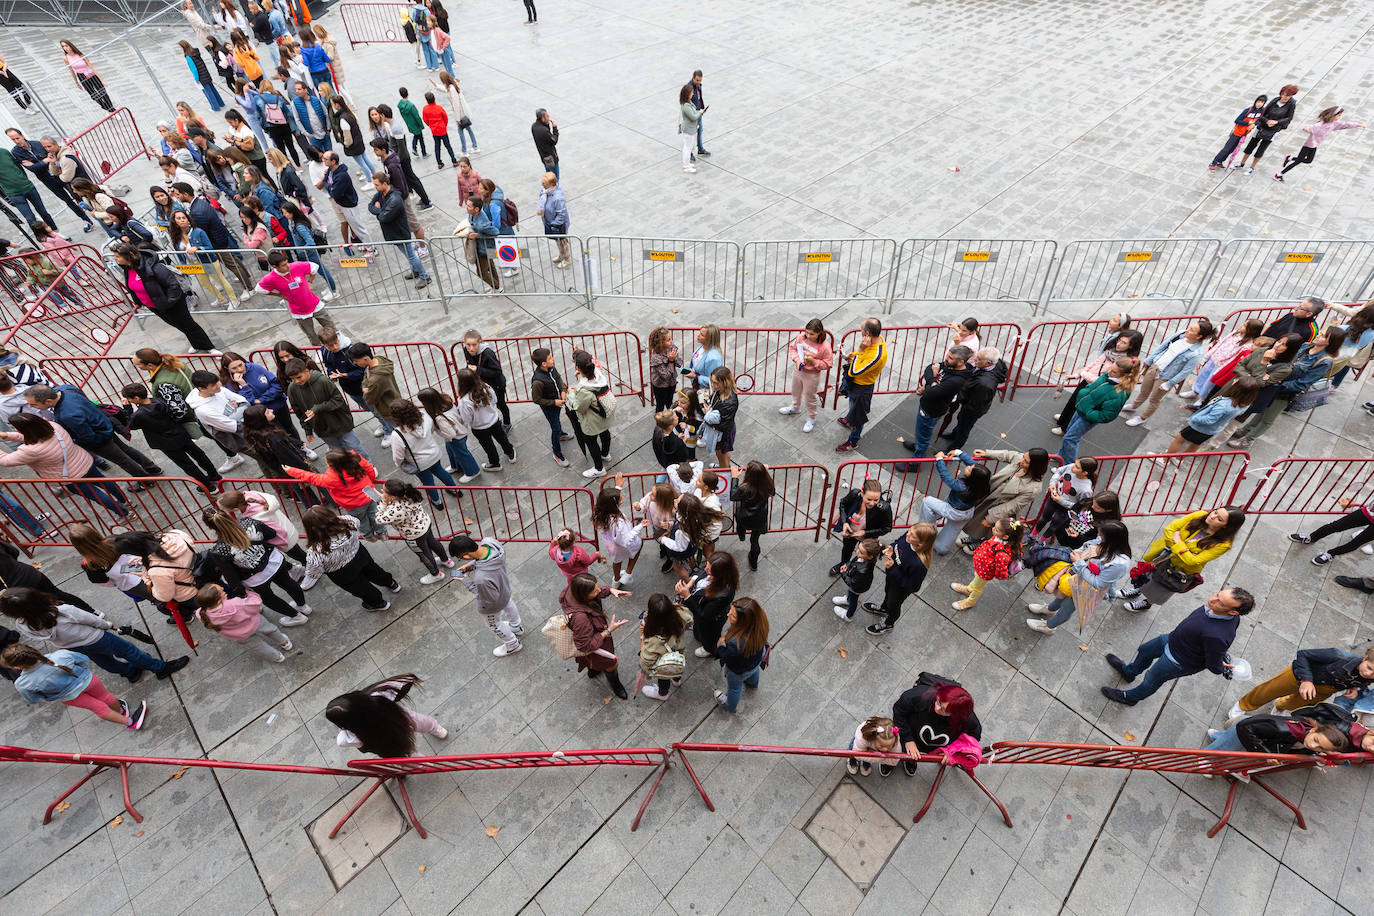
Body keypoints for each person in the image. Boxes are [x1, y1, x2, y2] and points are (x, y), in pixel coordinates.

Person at [1102, 587, 1256, 705]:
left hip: (1178, 661)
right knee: (1144, 650)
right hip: (1173, 639)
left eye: (1220, 602)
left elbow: (1214, 664)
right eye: (1218, 594)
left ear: (1233, 612)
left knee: (1151, 679)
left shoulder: (1218, 635)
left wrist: (1221, 666)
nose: (1212, 599)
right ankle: (1129, 672)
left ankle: (1130, 698)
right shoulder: (1215, 608)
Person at [0, 586, 189, 682]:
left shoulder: (22, 624)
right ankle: (159, 668)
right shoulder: (63, 610)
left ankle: (129, 672)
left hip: (73, 646)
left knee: (104, 661)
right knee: (130, 651)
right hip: (96, 637)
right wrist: (106, 624)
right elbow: (89, 619)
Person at [23, 383, 162, 484]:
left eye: (33, 405)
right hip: (104, 425)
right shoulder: (66, 388)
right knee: (127, 450)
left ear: (48, 401)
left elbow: (87, 436)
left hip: (100, 440)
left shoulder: (67, 415)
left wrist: (80, 442)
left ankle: (145, 481)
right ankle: (153, 469)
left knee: (123, 460)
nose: (31, 407)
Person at [1229, 328, 1344, 446]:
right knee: (1262, 409)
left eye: (1323, 336)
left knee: (1269, 417)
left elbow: (1303, 383)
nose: (1318, 335)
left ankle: (1249, 439)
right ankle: (1246, 429)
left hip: (1284, 391)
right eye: (1320, 333)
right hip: (1273, 382)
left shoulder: (1325, 361)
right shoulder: (1305, 346)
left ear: (1330, 342)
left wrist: (1276, 384)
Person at [1118, 506, 1245, 612]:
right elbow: (1169, 529)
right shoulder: (1200, 515)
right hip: (1164, 554)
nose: (1212, 516)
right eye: (1215, 512)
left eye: (1219, 519)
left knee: (1162, 585)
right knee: (1147, 574)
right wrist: (1183, 550)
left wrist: (1177, 540)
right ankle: (1137, 589)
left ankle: (1147, 603)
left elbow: (1192, 561)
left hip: (1179, 569)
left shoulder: (1222, 544)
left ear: (1226, 526)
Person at [202, 507, 311, 626]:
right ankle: (303, 606)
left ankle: (296, 617)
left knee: (269, 599)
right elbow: (271, 533)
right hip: (274, 561)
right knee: (288, 583)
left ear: (209, 527)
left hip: (256, 579)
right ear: (227, 515)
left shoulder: (218, 551)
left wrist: (241, 592)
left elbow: (231, 576)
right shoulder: (248, 521)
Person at [1025, 519, 1133, 633]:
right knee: (1063, 594)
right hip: (1079, 577)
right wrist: (1079, 552)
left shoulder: (1119, 564)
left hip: (1088, 590)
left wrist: (1078, 563)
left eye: (1101, 534)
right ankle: (1050, 609)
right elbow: (1088, 545)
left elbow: (1098, 583)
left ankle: (1048, 626)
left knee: (1067, 609)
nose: (1098, 535)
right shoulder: (1106, 542)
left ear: (1111, 539)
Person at [108, 241, 218, 353]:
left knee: (189, 326)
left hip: (172, 305)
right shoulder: (128, 268)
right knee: (180, 326)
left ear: (129, 255)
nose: (116, 259)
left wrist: (169, 301)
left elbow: (173, 285)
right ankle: (197, 344)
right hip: (156, 306)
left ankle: (209, 347)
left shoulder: (153, 267)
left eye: (117, 256)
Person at [3, 644, 146, 728]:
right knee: (106, 697)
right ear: (32, 650)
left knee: (97, 707)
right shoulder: (59, 655)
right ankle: (121, 711)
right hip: (88, 681)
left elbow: (33, 699)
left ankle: (129, 722)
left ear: (16, 667)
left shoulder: (22, 683)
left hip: (69, 696)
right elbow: (83, 660)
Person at [1228, 645, 1374, 725]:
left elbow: (1363, 681)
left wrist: (1354, 687)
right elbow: (1303, 654)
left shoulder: (1367, 676)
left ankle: (1280, 706)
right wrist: (1306, 681)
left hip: (1324, 689)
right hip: (1298, 676)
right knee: (1268, 691)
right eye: (1369, 668)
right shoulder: (1337, 655)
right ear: (1365, 657)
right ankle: (1242, 706)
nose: (1369, 674)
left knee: (1298, 704)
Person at [300, 506, 400, 611]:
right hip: (359, 554)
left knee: (361, 588)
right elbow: (357, 521)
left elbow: (313, 572)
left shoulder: (315, 552)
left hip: (341, 573)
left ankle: (378, 603)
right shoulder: (349, 522)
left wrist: (305, 584)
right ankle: (391, 584)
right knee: (374, 571)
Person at [120, 383, 220, 486]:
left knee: (187, 465)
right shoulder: (159, 401)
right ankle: (214, 475)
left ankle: (207, 486)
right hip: (180, 434)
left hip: (166, 443)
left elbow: (131, 425)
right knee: (199, 455)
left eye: (129, 399)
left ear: (136, 398)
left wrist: (127, 408)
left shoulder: (139, 415)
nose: (130, 401)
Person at [327, 672, 448, 756]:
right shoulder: (374, 696)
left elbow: (341, 741)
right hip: (400, 719)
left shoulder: (352, 736)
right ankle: (435, 728)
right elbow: (398, 684)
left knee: (407, 755)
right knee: (419, 721)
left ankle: (425, 765)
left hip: (389, 742)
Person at [1123, 319, 1216, 427]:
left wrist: (1169, 384)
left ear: (1199, 336)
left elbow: (1185, 372)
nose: (1187, 330)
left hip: (1165, 377)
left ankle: (1142, 418)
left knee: (1154, 399)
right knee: (1144, 390)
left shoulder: (1196, 353)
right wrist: (1149, 360)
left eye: (1192, 330)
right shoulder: (1180, 334)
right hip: (1155, 367)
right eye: (1190, 327)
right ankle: (1134, 405)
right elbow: (1163, 346)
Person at [1155, 377, 1260, 467]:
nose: (1234, 380)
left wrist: (1194, 418)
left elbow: (1209, 420)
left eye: (1237, 381)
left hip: (1199, 427)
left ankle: (1165, 460)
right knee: (1196, 443)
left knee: (1179, 439)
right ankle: (1179, 459)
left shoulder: (1224, 404)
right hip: (1213, 430)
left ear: (1237, 389)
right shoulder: (1246, 404)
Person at [1215, 334, 1300, 444]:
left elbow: (1260, 383)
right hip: (1233, 388)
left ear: (1290, 350)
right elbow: (1240, 365)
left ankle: (1212, 446)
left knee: (1231, 425)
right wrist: (1251, 376)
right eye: (1278, 341)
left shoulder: (1285, 369)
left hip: (1248, 398)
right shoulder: (1264, 349)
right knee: (1215, 412)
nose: (1277, 345)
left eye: (1283, 344)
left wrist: (1264, 362)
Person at [959, 448, 1050, 552]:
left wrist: (991, 518)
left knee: (990, 529)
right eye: (1024, 457)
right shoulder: (1021, 461)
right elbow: (1008, 454)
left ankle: (981, 543)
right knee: (978, 522)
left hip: (999, 509)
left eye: (1026, 461)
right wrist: (988, 453)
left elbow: (1013, 506)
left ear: (1034, 466)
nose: (1021, 461)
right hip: (991, 496)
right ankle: (973, 538)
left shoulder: (1034, 487)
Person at [897, 345, 973, 465]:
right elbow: (929, 368)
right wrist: (932, 381)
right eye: (948, 355)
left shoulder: (957, 380)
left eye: (950, 357)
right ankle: (918, 447)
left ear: (961, 362)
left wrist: (932, 379)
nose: (946, 359)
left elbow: (932, 392)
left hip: (931, 410)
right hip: (928, 405)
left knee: (924, 436)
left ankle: (915, 463)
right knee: (921, 433)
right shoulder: (951, 365)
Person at [450, 534, 525, 657]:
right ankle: (516, 626)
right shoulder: (491, 543)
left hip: (491, 606)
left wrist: (464, 579)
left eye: (461, 558)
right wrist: (472, 565)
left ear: (466, 555)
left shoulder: (481, 579)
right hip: (504, 588)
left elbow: (485, 598)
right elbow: (485, 559)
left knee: (495, 625)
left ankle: (512, 644)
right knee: (508, 603)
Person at [1058, 356, 1139, 465]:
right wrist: (1085, 393)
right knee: (1069, 432)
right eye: (1110, 368)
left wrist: (1088, 412)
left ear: (1124, 375)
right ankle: (1061, 456)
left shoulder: (1119, 394)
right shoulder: (1109, 376)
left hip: (1087, 417)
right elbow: (1096, 385)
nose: (1109, 372)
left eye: (1114, 372)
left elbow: (1107, 415)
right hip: (1082, 408)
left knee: (1070, 439)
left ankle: (1068, 466)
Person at [890, 679, 981, 775]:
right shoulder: (918, 695)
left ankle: (910, 761)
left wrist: (953, 751)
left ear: (956, 714)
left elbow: (972, 738)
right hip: (910, 732)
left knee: (914, 755)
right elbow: (899, 712)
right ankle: (891, 761)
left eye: (943, 709)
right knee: (897, 747)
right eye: (938, 701)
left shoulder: (967, 720)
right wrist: (907, 738)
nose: (937, 708)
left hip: (935, 747)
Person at [286, 448, 381, 539]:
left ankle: (369, 536)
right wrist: (371, 480)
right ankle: (382, 532)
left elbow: (312, 477)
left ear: (334, 466)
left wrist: (291, 471)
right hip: (369, 494)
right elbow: (369, 468)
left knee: (361, 520)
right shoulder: (356, 459)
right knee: (375, 513)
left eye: (327, 462)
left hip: (353, 504)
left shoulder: (331, 478)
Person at [6, 128, 91, 230]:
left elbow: (52, 157)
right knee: (67, 200)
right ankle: (86, 220)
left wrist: (39, 163)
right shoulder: (16, 152)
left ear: (22, 136)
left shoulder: (37, 144)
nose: (16, 141)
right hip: (47, 179)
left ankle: (94, 212)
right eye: (13, 140)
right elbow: (32, 169)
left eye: (17, 138)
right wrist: (45, 160)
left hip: (59, 173)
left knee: (77, 194)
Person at [284, 358, 365, 457]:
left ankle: (369, 467)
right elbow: (300, 413)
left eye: (299, 377)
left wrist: (317, 409)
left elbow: (338, 400)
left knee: (355, 448)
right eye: (293, 379)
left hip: (340, 423)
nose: (296, 381)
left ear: (306, 371)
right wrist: (308, 431)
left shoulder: (323, 380)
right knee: (338, 453)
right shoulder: (292, 389)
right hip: (321, 428)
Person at [376, 479, 450, 585]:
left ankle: (436, 575)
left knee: (424, 554)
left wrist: (383, 503)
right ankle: (446, 561)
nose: (382, 493)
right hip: (425, 524)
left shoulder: (395, 509)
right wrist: (388, 499)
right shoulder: (410, 494)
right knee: (433, 542)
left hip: (414, 535)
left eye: (383, 491)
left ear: (393, 496)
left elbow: (379, 519)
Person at [866, 522, 935, 636]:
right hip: (891, 578)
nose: (908, 534)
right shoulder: (907, 538)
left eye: (912, 535)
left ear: (921, 543)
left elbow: (914, 586)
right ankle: (884, 609)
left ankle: (888, 623)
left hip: (900, 589)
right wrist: (891, 548)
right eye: (909, 531)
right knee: (887, 593)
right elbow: (898, 542)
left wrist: (893, 568)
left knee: (894, 605)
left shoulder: (919, 564)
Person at [195, 583, 293, 662]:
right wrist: (250, 593)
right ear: (217, 602)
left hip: (240, 636)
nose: (222, 587)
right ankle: (285, 643)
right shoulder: (234, 603)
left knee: (259, 646)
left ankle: (277, 657)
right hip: (255, 623)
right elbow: (255, 604)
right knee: (271, 630)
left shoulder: (200, 614)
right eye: (221, 591)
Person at [920, 450, 992, 555]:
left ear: (973, 477)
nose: (967, 467)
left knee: (927, 502)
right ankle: (941, 548)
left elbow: (946, 477)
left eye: (969, 470)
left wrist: (939, 459)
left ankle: (926, 534)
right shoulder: (981, 485)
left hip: (953, 511)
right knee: (952, 531)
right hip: (967, 512)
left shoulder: (962, 487)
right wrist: (959, 453)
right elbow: (973, 464)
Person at [389, 400, 458, 506]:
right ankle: (455, 490)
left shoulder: (397, 434)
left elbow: (398, 456)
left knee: (428, 482)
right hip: (434, 454)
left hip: (419, 464)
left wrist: (399, 464)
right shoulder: (425, 416)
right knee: (441, 471)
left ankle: (437, 501)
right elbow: (431, 430)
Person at [367, 172, 430, 288]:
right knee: (408, 254)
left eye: (377, 185)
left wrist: (378, 210)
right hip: (393, 233)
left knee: (410, 255)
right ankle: (416, 271)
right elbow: (370, 206)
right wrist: (379, 210)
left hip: (400, 233)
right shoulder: (380, 193)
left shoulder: (395, 199)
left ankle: (425, 276)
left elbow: (383, 217)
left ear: (385, 184)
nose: (375, 188)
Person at [835, 318, 888, 452]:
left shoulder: (877, 355)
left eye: (861, 330)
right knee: (853, 407)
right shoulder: (878, 338)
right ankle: (849, 419)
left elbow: (854, 372)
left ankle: (853, 441)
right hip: (858, 385)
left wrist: (859, 349)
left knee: (858, 417)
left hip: (862, 388)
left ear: (867, 333)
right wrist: (856, 355)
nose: (859, 331)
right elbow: (862, 357)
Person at [370, 136, 429, 255]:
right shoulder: (389, 159)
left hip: (402, 199)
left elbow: (401, 185)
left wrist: (397, 200)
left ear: (383, 150)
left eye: (376, 149)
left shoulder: (392, 165)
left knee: (414, 224)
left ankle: (423, 248)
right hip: (400, 198)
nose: (374, 152)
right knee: (408, 223)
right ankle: (419, 243)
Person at [217, 487, 307, 564]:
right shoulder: (252, 494)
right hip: (287, 529)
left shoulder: (256, 518)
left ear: (235, 509)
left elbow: (273, 533)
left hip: (284, 540)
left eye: (225, 509)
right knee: (299, 553)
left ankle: (313, 567)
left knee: (300, 556)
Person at [1275, 106, 1365, 181]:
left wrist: (1358, 125)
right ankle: (1279, 174)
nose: (1339, 117)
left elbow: (1345, 124)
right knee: (1298, 161)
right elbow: (1310, 127)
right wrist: (1306, 129)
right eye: (1339, 115)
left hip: (1315, 144)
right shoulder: (1321, 124)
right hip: (1308, 145)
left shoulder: (1334, 123)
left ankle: (1290, 158)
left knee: (1309, 161)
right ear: (1333, 115)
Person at [953, 517, 1025, 611]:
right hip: (982, 567)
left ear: (1005, 536)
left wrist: (1004, 575)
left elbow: (1001, 570)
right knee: (976, 579)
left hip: (985, 572)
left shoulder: (1002, 553)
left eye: (996, 529)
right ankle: (969, 589)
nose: (993, 529)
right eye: (995, 526)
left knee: (978, 588)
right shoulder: (999, 538)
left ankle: (970, 602)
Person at [943, 346, 1006, 451]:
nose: (975, 359)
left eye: (979, 359)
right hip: (972, 403)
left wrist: (957, 399)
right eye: (977, 356)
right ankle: (954, 434)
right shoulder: (995, 364)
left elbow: (975, 403)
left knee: (964, 428)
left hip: (972, 409)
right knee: (961, 420)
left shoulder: (984, 384)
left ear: (989, 363)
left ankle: (953, 449)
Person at [1188, 319, 1264, 405]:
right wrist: (1207, 357)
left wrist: (1221, 370)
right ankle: (1194, 391)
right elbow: (1220, 344)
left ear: (1251, 330)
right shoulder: (1235, 333)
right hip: (1213, 359)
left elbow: (1234, 359)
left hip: (1220, 366)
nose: (1242, 325)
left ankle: (1202, 399)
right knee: (1202, 376)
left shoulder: (1248, 345)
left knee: (1209, 384)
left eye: (1245, 325)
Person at [455, 367, 516, 473]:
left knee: (488, 446)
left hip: (479, 428)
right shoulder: (486, 387)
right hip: (494, 420)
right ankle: (510, 453)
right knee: (502, 438)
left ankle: (495, 463)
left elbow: (466, 419)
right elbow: (495, 400)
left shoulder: (464, 401)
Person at [713, 597, 769, 713]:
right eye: (730, 611)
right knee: (754, 670)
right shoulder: (760, 625)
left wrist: (721, 646)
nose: (728, 614)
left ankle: (730, 706)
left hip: (739, 671)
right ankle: (753, 683)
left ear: (743, 622)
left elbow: (727, 657)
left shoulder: (736, 644)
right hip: (757, 659)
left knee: (734, 689)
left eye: (733, 615)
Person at [187, 369, 249, 471]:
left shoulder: (218, 390)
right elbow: (234, 427)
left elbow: (244, 402)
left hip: (247, 428)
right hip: (241, 438)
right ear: (201, 388)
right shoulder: (204, 410)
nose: (219, 385)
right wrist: (239, 409)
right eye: (214, 385)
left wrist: (238, 409)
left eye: (217, 382)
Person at [828, 479, 893, 576]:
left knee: (865, 556)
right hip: (851, 531)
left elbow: (887, 528)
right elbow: (843, 504)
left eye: (876, 500)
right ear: (862, 494)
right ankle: (844, 564)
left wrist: (865, 533)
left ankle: (859, 572)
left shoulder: (884, 508)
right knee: (847, 549)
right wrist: (845, 522)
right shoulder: (855, 494)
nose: (872, 503)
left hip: (868, 537)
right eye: (869, 499)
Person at [635, 592, 691, 701]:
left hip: (665, 661)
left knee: (664, 679)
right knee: (677, 666)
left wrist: (643, 636)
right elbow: (689, 622)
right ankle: (676, 680)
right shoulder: (681, 612)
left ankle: (662, 694)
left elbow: (646, 661)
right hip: (678, 651)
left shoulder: (654, 638)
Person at [568, 351, 614, 479]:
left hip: (592, 421)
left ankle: (599, 468)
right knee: (605, 433)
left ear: (577, 368)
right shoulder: (600, 374)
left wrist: (571, 394)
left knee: (590, 441)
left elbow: (579, 407)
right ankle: (605, 454)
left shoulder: (584, 390)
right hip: (604, 414)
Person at [1290, 498, 1374, 566]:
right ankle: (1312, 537)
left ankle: (1331, 554)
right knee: (1335, 526)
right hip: (1369, 512)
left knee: (1356, 543)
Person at [1235, 84, 1298, 174]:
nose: (1285, 97)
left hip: (1273, 130)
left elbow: (1289, 118)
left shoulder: (1291, 104)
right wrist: (1267, 121)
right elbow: (1262, 113)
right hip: (1262, 126)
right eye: (1284, 94)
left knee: (1262, 148)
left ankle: (1252, 167)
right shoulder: (1275, 100)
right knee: (1251, 145)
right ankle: (1242, 163)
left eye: (1288, 96)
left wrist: (1276, 122)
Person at [593, 477, 642, 586]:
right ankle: (628, 574)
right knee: (639, 544)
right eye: (620, 498)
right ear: (614, 504)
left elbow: (608, 500)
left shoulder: (600, 512)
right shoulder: (619, 522)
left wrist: (618, 487)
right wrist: (640, 527)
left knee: (616, 561)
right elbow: (626, 539)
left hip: (611, 545)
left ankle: (616, 579)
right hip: (622, 544)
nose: (622, 498)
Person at [350, 342, 402, 445]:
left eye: (356, 361)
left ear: (365, 359)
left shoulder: (376, 379)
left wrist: (365, 389)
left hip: (387, 408)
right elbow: (366, 375)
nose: (355, 363)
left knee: (398, 432)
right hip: (394, 400)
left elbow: (369, 399)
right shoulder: (378, 359)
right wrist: (366, 387)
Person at [528, 348, 572, 468]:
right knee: (555, 427)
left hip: (558, 403)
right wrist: (554, 402)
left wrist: (563, 391)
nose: (553, 359)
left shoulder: (551, 368)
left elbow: (558, 378)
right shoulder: (537, 381)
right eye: (550, 358)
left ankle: (561, 434)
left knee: (557, 422)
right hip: (550, 408)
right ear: (543, 363)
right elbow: (536, 399)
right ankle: (557, 453)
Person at [729, 462, 774, 571]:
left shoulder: (745, 488)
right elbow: (773, 492)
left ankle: (742, 535)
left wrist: (734, 478)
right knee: (755, 541)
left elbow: (733, 496)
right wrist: (765, 473)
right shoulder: (767, 485)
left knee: (739, 519)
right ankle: (754, 563)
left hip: (744, 519)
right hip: (759, 520)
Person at [322, 151, 372, 244]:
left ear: (333, 161)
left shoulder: (341, 176)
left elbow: (334, 193)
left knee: (358, 227)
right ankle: (365, 244)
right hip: (343, 204)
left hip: (348, 205)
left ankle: (371, 248)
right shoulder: (330, 170)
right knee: (355, 226)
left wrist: (328, 186)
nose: (323, 161)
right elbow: (325, 181)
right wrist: (329, 185)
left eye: (325, 159)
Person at [1209, 94, 1268, 169]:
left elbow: (1259, 120)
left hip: (1244, 134)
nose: (1259, 104)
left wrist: (1254, 124)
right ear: (1255, 101)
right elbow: (1237, 121)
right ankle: (1213, 163)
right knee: (1226, 149)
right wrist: (1248, 123)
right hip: (1236, 133)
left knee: (1232, 150)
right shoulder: (1248, 110)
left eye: (1262, 102)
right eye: (1258, 101)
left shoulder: (1262, 111)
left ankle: (1220, 162)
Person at [833, 537, 880, 621]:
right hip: (857, 583)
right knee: (850, 594)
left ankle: (848, 615)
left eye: (861, 552)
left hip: (857, 587)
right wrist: (847, 565)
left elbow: (852, 583)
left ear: (870, 557)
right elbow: (853, 562)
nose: (857, 552)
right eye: (858, 548)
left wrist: (843, 573)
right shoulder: (862, 558)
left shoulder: (863, 571)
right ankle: (847, 600)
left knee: (853, 600)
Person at [60, 40, 113, 112]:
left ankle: (112, 110)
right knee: (94, 96)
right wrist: (76, 83)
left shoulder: (79, 54)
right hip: (82, 76)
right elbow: (71, 70)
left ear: (70, 46)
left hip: (91, 74)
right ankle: (110, 111)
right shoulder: (65, 58)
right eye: (63, 46)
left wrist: (101, 80)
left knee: (103, 93)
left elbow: (91, 67)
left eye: (66, 46)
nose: (65, 48)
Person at [702, 366, 739, 469]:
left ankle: (723, 472)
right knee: (725, 453)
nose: (713, 385)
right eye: (712, 382)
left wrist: (707, 415)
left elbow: (722, 425)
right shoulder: (721, 391)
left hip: (723, 434)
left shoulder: (729, 402)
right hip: (725, 430)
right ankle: (724, 466)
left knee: (721, 454)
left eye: (716, 383)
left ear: (725, 382)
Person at [536, 172, 571, 267]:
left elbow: (561, 214)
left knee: (563, 242)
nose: (542, 185)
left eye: (544, 183)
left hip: (558, 225)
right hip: (550, 222)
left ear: (552, 184)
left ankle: (567, 259)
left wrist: (553, 225)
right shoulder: (545, 191)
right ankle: (561, 255)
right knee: (558, 241)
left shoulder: (557, 198)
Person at [421, 91, 458, 167]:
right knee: (448, 146)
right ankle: (454, 161)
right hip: (442, 130)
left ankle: (439, 163)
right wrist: (444, 125)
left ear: (426, 100)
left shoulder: (425, 109)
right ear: (434, 99)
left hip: (434, 131)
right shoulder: (439, 108)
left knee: (437, 146)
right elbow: (446, 118)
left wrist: (431, 125)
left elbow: (425, 120)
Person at [396, 87, 427, 158]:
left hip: (409, 124)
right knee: (421, 138)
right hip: (416, 125)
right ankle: (423, 153)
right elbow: (417, 117)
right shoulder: (411, 106)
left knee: (416, 136)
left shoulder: (400, 105)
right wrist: (421, 125)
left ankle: (414, 148)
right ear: (407, 93)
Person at [678, 84, 701, 173]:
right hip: (688, 130)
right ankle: (686, 166)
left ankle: (686, 164)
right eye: (691, 93)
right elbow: (693, 117)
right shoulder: (686, 106)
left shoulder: (688, 103)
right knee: (688, 148)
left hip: (689, 129)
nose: (693, 94)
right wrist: (700, 113)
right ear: (687, 94)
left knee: (688, 147)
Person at [531, 108, 559, 180]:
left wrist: (546, 125)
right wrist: (555, 128)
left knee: (548, 177)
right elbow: (554, 140)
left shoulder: (534, 126)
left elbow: (545, 137)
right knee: (554, 179)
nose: (549, 117)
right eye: (547, 116)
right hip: (551, 159)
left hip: (544, 157)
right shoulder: (544, 131)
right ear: (542, 118)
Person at [689, 70, 709, 159]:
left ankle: (700, 149)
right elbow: (686, 103)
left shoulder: (698, 86)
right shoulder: (689, 88)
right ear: (693, 78)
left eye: (700, 80)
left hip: (699, 112)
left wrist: (702, 108)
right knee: (691, 135)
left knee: (700, 130)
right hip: (693, 114)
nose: (699, 82)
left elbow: (700, 97)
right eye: (697, 80)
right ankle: (689, 153)